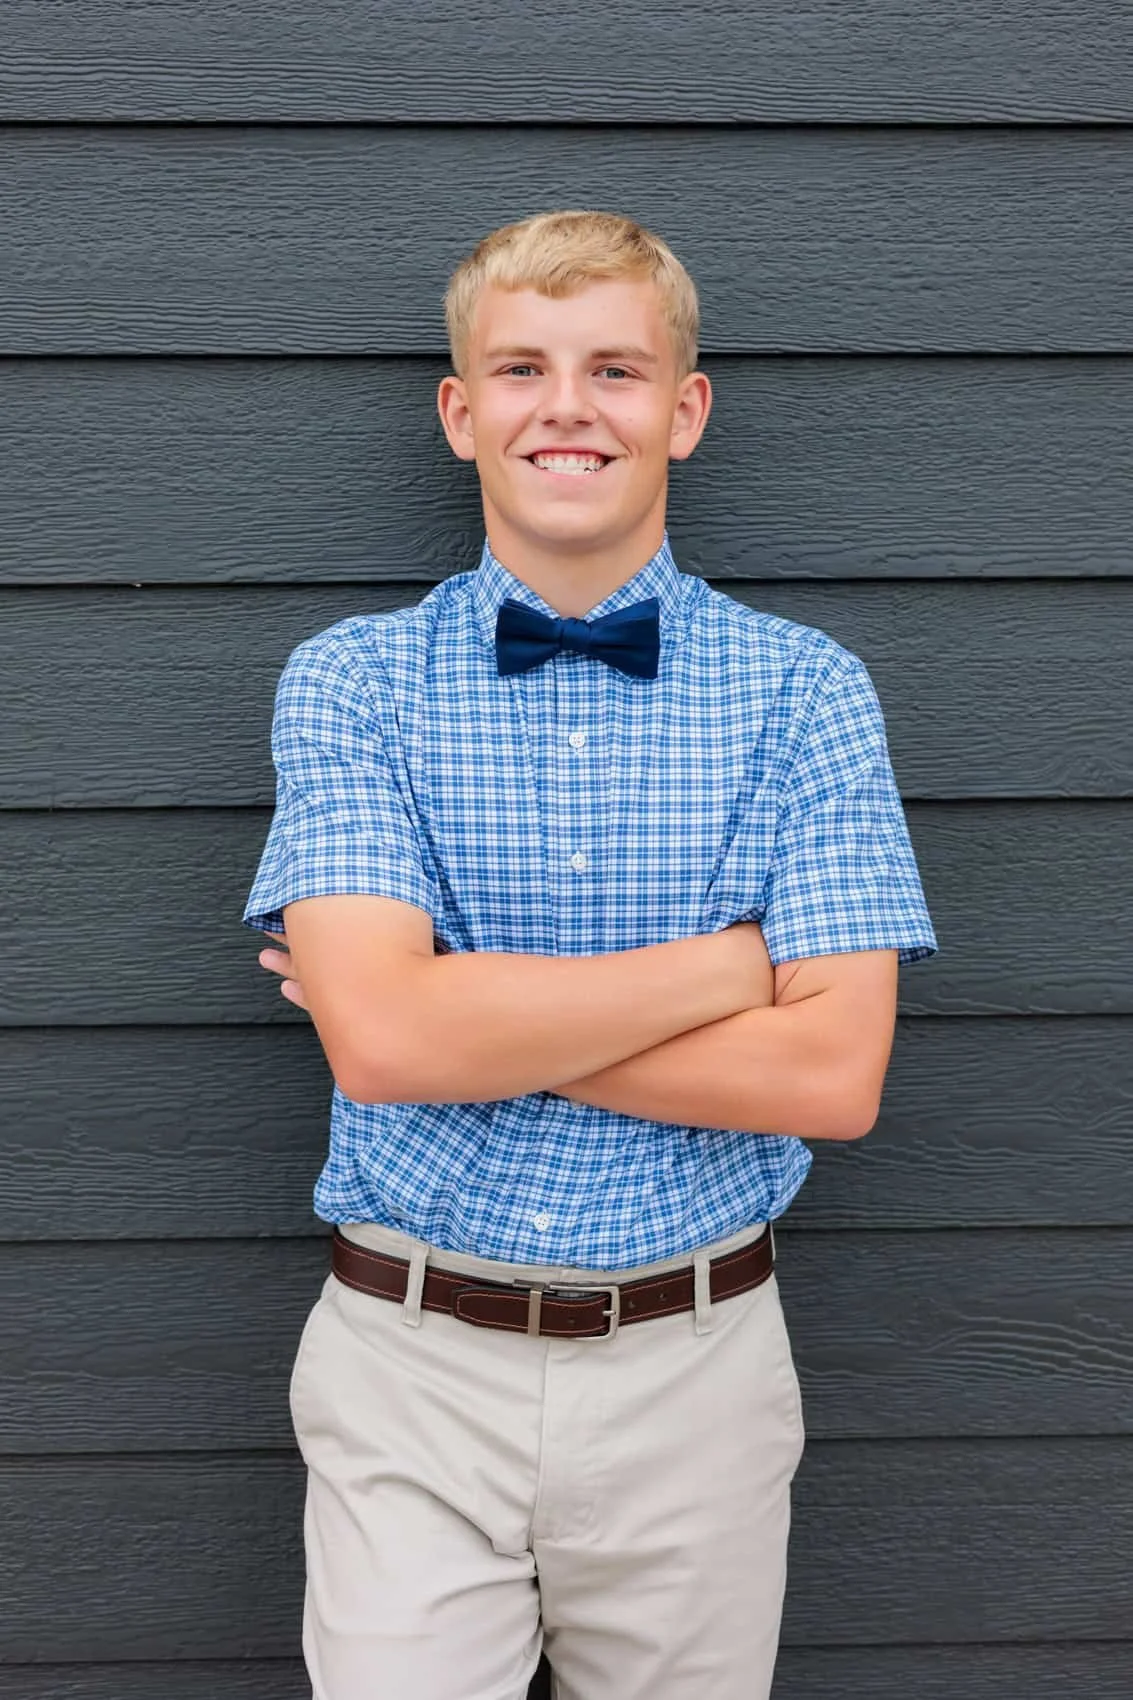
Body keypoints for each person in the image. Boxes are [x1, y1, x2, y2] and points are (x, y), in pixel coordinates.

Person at [242, 208, 938, 1700]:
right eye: (522, 368)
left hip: (700, 1361)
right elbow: (386, 1049)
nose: (568, 407)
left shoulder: (807, 694)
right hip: (409, 1358)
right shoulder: (350, 682)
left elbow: (834, 1074)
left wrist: (463, 1013)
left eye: (616, 369)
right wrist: (736, 967)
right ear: (461, 410)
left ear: (683, 411)